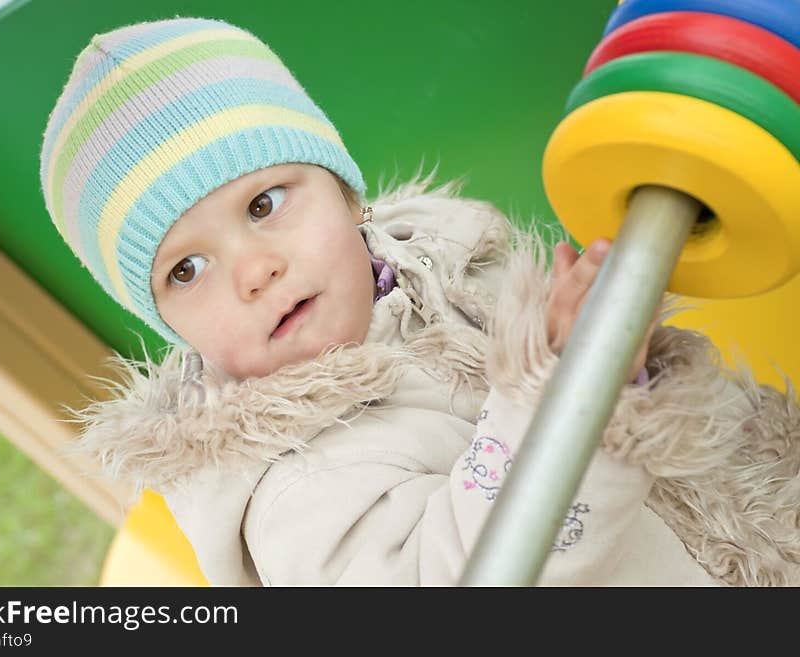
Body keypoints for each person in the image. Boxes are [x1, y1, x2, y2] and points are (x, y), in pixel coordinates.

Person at [40, 17, 800, 586]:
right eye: (187, 268)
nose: (253, 271)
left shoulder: (444, 259)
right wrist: (563, 389)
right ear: (166, 321)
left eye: (265, 204)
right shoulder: (295, 489)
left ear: (343, 190)